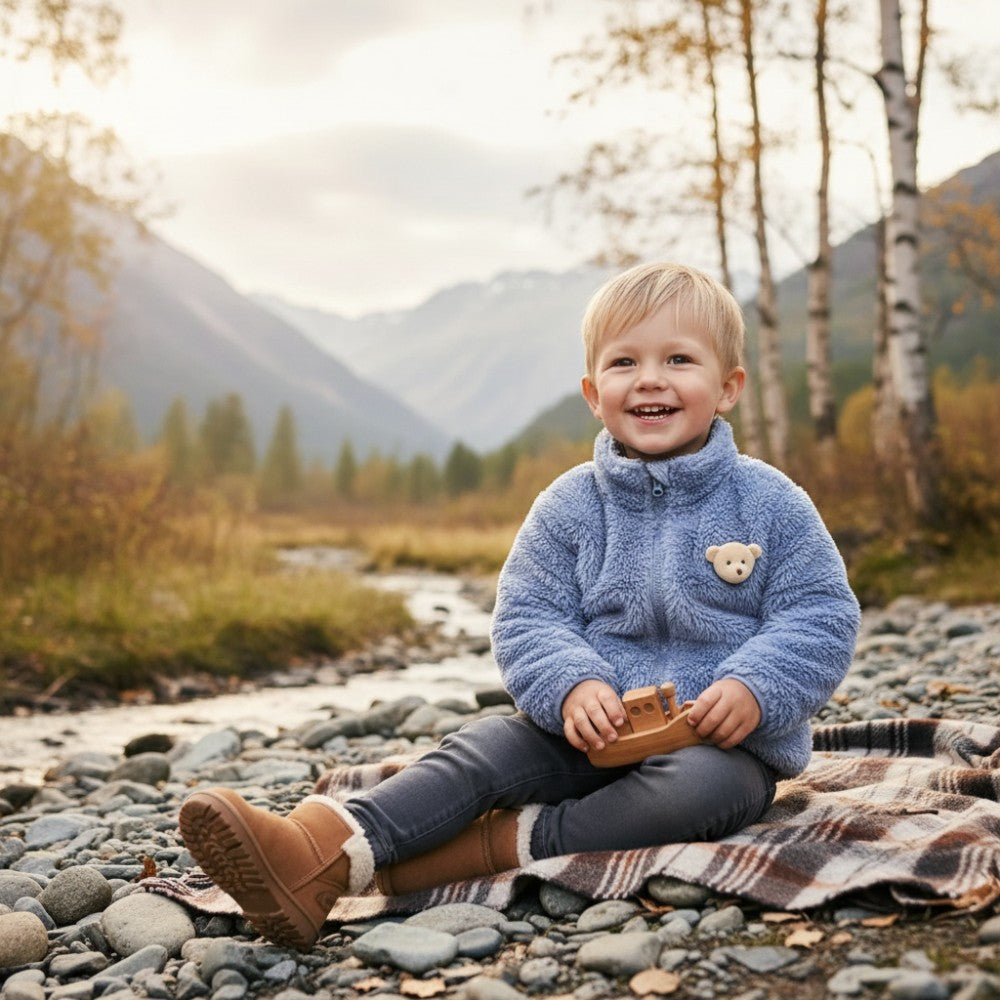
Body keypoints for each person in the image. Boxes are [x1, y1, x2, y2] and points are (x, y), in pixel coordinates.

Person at [179, 261, 861, 951]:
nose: (650, 379)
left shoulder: (768, 501)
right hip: (587, 732)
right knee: (485, 747)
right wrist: (572, 684)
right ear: (593, 393)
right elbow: (529, 616)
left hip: (720, 747)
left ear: (728, 388)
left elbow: (820, 613)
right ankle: (318, 844)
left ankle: (488, 847)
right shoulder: (570, 505)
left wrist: (755, 686)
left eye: (679, 360)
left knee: (694, 794)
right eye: (624, 362)